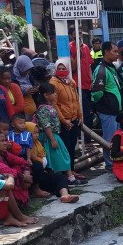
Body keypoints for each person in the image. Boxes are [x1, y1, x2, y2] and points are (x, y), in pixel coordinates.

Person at [50, 58, 86, 186]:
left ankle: (72, 170)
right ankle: (66, 173)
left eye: (63, 68)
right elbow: (54, 104)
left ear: (68, 69)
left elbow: (76, 100)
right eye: (59, 69)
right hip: (63, 121)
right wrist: (63, 120)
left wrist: (80, 115)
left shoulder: (71, 82)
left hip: (74, 119)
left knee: (71, 147)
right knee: (64, 148)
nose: (61, 71)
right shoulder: (53, 83)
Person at [91, 41, 122, 169]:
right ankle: (110, 164)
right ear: (106, 52)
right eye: (114, 51)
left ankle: (115, 161)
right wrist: (105, 104)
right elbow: (97, 92)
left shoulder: (111, 67)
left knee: (115, 138)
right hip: (107, 110)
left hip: (114, 111)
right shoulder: (101, 69)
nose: (117, 54)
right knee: (108, 138)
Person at [36, 83, 73, 182]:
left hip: (54, 135)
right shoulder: (43, 108)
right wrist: (52, 139)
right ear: (46, 95)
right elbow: (46, 125)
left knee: (62, 155)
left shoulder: (50, 106)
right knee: (56, 157)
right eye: (53, 93)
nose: (55, 95)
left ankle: (67, 177)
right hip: (49, 136)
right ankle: (65, 178)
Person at [0, 130, 32, 206]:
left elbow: (22, 162)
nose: (5, 143)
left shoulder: (3, 153)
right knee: (13, 176)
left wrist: (26, 174)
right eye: (2, 141)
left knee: (20, 167)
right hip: (0, 188)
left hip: (14, 179)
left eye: (5, 140)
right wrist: (24, 177)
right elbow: (12, 173)